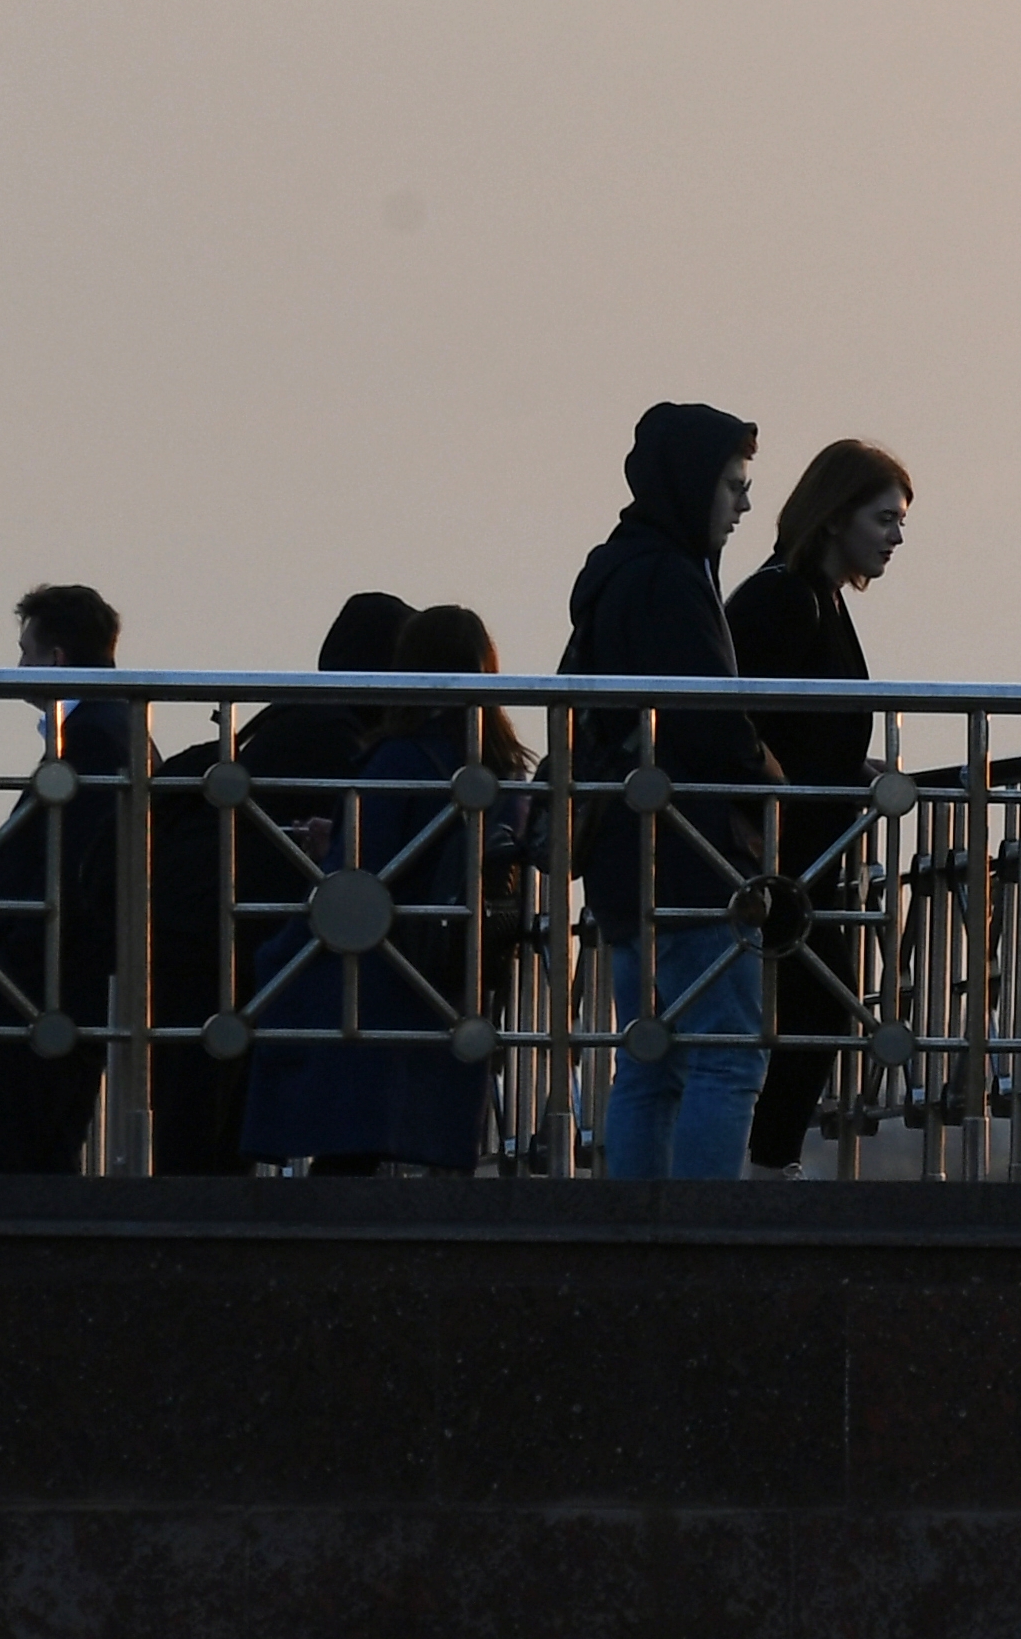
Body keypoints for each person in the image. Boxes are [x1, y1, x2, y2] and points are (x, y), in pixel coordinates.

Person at [561, 404, 782, 1181]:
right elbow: (708, 717)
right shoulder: (671, 577)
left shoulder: (612, 570)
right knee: (726, 1057)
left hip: (626, 856)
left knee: (648, 1060)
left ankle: (634, 1230)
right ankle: (702, 1234)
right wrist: (770, 776)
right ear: (693, 485)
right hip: (687, 855)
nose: (743, 504)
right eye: (732, 485)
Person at [236, 604, 524, 1177]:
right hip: (452, 973)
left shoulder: (397, 758)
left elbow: (359, 878)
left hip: (379, 973)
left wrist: (333, 849)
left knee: (269, 971)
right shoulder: (501, 770)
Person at [146, 591, 415, 1175]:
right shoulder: (333, 734)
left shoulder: (290, 718)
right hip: (222, 931)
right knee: (205, 1106)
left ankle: (192, 1228)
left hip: (199, 923)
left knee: (198, 1099)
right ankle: (198, 1233)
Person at [726, 440, 912, 1179]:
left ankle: (768, 1160)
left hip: (807, 847)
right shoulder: (784, 597)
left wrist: (853, 767)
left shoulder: (812, 595)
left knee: (818, 1004)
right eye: (884, 518)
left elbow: (801, 728)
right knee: (821, 1004)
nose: (895, 536)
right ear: (835, 517)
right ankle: (768, 1163)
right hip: (779, 851)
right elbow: (747, 722)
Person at [0, 585, 133, 1173]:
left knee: (11, 1158)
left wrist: (0, 958)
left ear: (55, 658)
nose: (17, 669)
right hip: (49, 988)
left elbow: (70, 875)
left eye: (25, 652)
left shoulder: (93, 742)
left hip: (41, 993)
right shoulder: (115, 732)